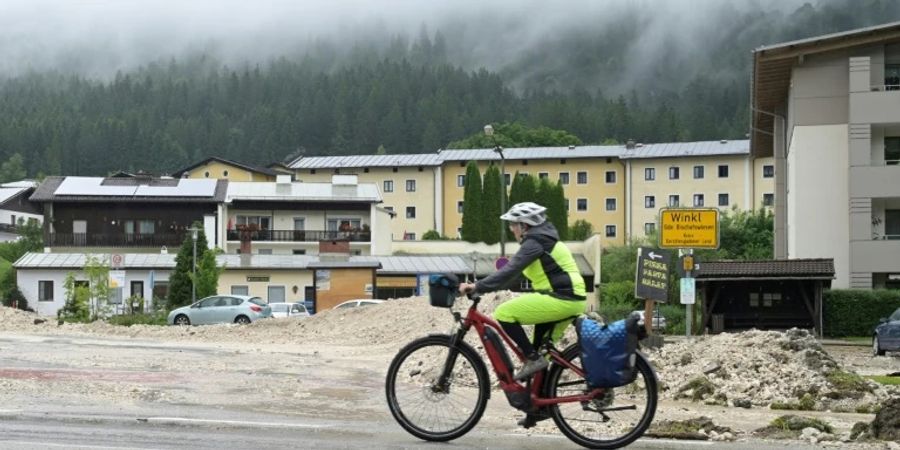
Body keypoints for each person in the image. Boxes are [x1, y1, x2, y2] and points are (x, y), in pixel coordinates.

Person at [458, 201, 587, 381]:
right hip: (570, 299)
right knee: (541, 352)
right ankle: (538, 404)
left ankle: (532, 360)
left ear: (524, 225)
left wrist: (477, 287)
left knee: (504, 313)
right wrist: (484, 285)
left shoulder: (535, 242)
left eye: (512, 224)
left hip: (561, 298)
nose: (511, 229)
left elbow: (510, 270)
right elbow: (513, 275)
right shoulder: (545, 240)